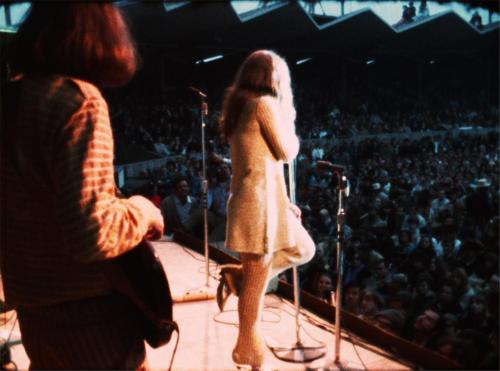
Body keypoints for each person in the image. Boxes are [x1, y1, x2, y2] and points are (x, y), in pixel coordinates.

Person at [1, 4, 164, 369]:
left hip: (32, 301)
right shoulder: (78, 101)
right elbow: (91, 233)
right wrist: (142, 209)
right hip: (87, 308)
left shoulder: (11, 97)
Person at [217, 50, 315, 368]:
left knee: (303, 248)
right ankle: (248, 350)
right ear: (274, 77)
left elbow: (265, 162)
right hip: (258, 206)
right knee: (256, 290)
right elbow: (286, 152)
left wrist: (286, 202)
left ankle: (241, 278)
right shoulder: (264, 105)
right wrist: (290, 122)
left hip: (263, 201)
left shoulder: (240, 104)